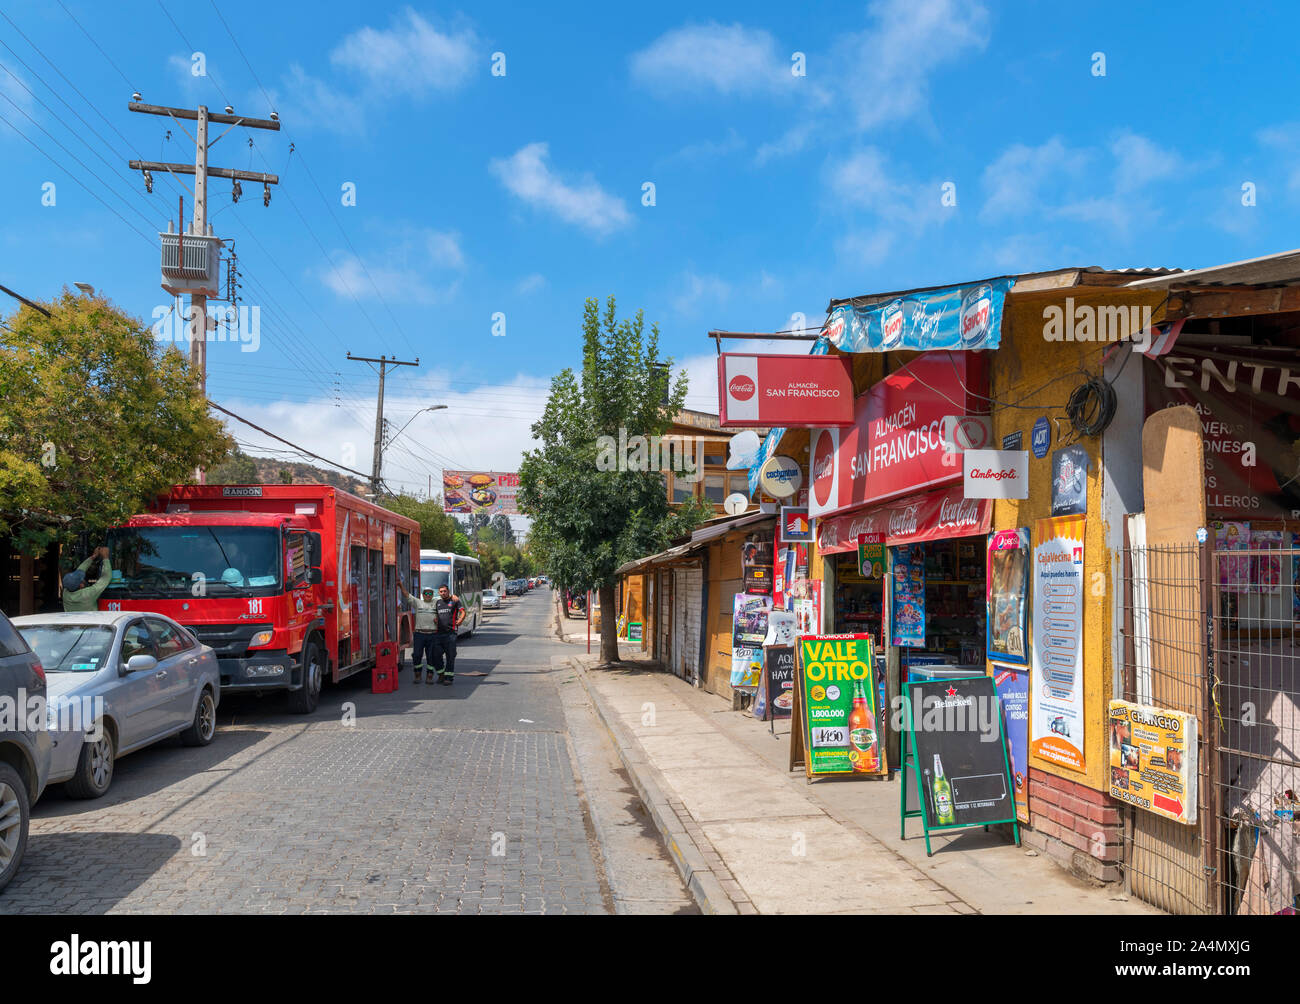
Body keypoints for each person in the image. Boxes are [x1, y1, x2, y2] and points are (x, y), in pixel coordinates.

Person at [399, 580, 440, 684]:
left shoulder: (436, 603)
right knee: (417, 655)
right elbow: (406, 595)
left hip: (432, 635)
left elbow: (447, 599)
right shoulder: (418, 602)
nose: (428, 595)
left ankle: (429, 677)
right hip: (419, 634)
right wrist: (400, 585)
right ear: (423, 594)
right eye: (426, 593)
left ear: (433, 594)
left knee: (431, 657)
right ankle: (417, 675)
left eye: (430, 593)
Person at [430, 583, 465, 686]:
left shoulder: (454, 601)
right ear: (439, 593)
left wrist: (461, 620)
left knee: (450, 656)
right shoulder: (437, 602)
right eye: (441, 591)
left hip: (451, 634)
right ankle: (441, 674)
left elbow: (463, 612)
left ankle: (448, 678)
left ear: (448, 591)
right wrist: (435, 619)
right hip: (438, 634)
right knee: (435, 656)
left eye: (445, 591)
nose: (443, 593)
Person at [63, 546, 112, 612]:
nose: (83, 579)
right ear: (81, 585)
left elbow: (80, 570)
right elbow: (106, 577)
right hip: (90, 622)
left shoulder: (66, 594)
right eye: (82, 579)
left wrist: (93, 557)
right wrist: (105, 558)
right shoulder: (88, 594)